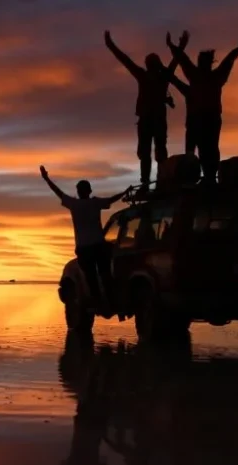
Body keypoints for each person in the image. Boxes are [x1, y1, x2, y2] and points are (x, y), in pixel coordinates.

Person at [105, 30, 190, 189]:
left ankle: (153, 182)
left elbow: (126, 60)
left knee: (154, 152)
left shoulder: (150, 76)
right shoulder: (159, 76)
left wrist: (111, 45)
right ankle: (151, 182)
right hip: (151, 119)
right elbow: (126, 60)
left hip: (152, 119)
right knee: (152, 152)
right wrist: (182, 45)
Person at [40, 165, 130, 314]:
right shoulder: (94, 203)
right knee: (104, 275)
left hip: (85, 249)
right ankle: (110, 301)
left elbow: (58, 193)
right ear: (89, 191)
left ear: (79, 191)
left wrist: (46, 179)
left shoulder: (75, 204)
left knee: (91, 277)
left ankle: (99, 303)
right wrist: (125, 192)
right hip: (97, 247)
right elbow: (112, 199)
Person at [166, 32, 238, 182]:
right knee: (205, 149)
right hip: (204, 119)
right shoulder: (211, 76)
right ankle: (204, 176)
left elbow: (184, 60)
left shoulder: (205, 76)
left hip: (205, 119)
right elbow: (227, 61)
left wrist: (173, 46)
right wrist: (173, 46)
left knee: (204, 149)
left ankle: (207, 177)